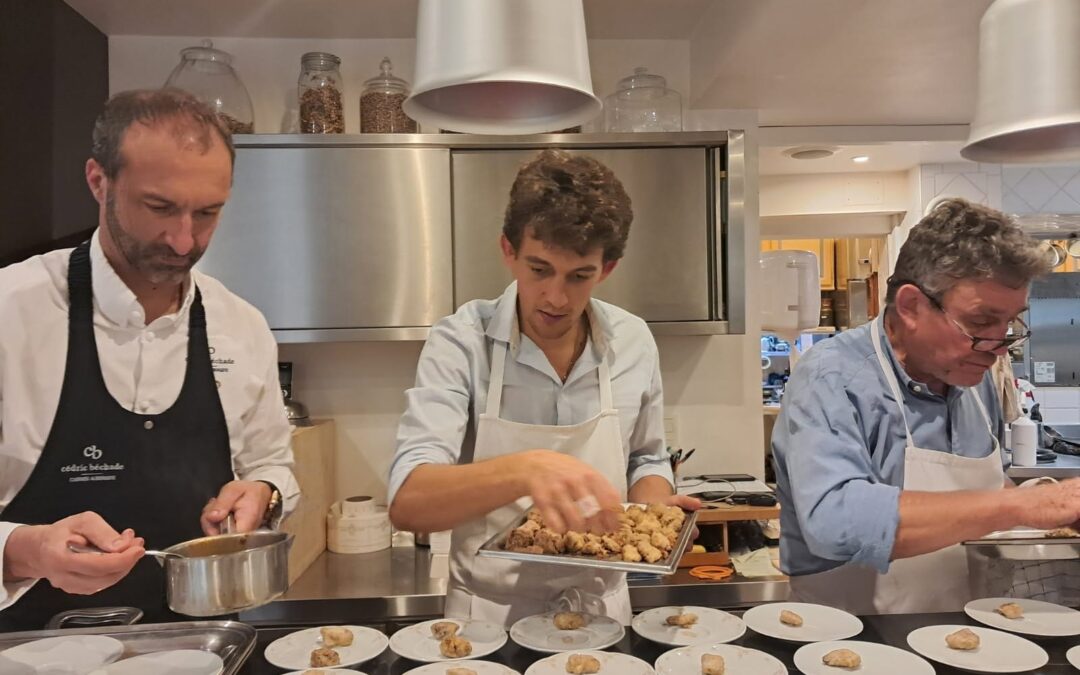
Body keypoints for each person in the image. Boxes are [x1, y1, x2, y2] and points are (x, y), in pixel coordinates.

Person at [0, 89, 299, 630]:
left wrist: (263, 493)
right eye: (159, 208)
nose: (184, 242)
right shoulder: (10, 313)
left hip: (200, 648)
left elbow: (271, 464)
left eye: (207, 213)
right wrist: (22, 551)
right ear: (99, 181)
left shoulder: (242, 326)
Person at [388, 149, 698, 627]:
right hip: (488, 619)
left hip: (603, 613)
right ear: (508, 251)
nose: (556, 297)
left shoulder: (632, 341)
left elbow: (647, 458)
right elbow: (409, 501)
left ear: (608, 268)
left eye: (580, 276)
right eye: (539, 270)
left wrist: (653, 505)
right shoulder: (460, 341)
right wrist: (527, 469)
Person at [773, 197, 1080, 615]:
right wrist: (1022, 506)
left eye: (1009, 323)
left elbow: (983, 496)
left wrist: (1047, 508)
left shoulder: (975, 378)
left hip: (962, 627)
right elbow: (833, 521)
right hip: (853, 636)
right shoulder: (832, 376)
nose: (998, 345)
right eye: (979, 322)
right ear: (912, 306)